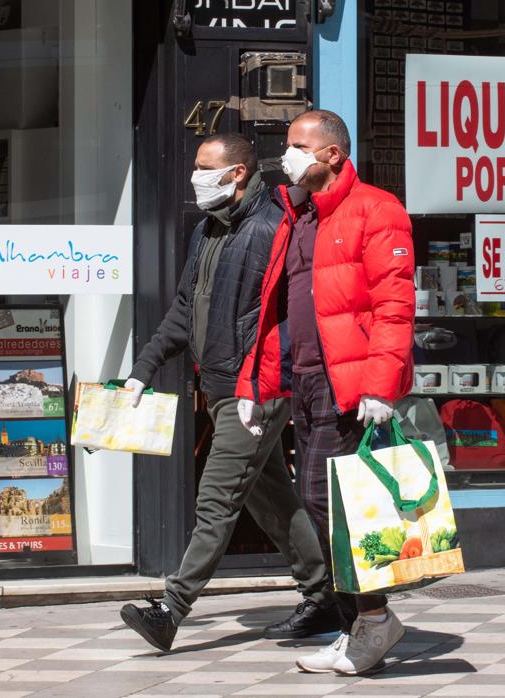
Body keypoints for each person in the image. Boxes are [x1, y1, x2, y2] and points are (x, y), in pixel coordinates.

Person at [118, 133, 341, 652]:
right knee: (270, 500)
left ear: (237, 173)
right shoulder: (207, 230)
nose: (195, 176)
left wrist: (265, 383)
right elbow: (182, 309)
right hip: (218, 389)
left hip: (257, 391)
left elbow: (293, 319)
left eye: (204, 167)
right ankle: (323, 593)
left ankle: (171, 609)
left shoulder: (274, 229)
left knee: (217, 497)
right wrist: (142, 369)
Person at [236, 110, 416, 675]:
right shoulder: (298, 215)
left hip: (351, 385)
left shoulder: (376, 209)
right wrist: (256, 385)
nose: (285, 155)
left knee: (330, 503)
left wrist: (381, 385)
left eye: (296, 145)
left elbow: (394, 305)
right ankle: (359, 627)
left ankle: (374, 618)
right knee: (326, 507)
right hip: (307, 381)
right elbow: (274, 311)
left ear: (332, 154)